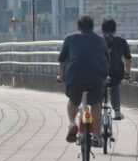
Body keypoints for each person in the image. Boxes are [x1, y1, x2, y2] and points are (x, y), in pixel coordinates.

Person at [57, 15, 109, 145]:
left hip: (75, 77)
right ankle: (97, 135)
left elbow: (62, 60)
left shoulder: (70, 39)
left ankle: (72, 123)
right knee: (96, 103)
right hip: (95, 78)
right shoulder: (100, 40)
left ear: (78, 27)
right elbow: (106, 59)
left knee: (73, 102)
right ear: (92, 27)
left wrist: (61, 75)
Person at [102, 18, 132, 120]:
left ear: (103, 29)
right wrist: (127, 73)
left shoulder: (97, 41)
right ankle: (117, 111)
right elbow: (128, 58)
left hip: (100, 73)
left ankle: (97, 109)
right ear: (115, 29)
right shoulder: (121, 41)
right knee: (115, 86)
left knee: (99, 88)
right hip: (116, 72)